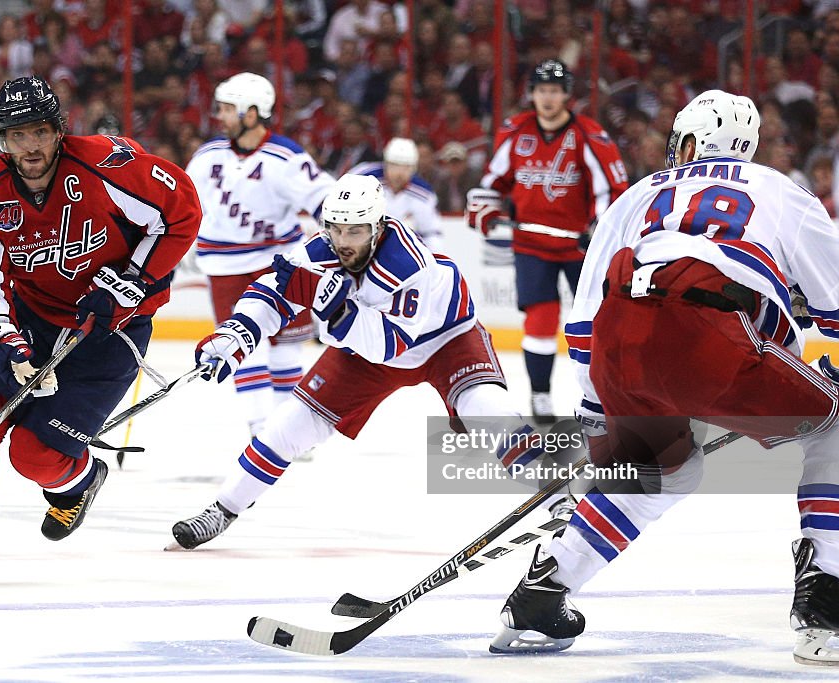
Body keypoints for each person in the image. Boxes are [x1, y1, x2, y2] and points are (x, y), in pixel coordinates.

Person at [490, 90, 839, 665]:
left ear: (694, 142)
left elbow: (585, 314)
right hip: (715, 344)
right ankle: (824, 605)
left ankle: (541, 596)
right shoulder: (779, 189)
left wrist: (597, 411)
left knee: (662, 472)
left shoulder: (637, 193)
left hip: (619, 345)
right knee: (831, 428)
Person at [0, 76, 201, 585]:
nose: (30, 145)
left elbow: (180, 213)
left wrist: (129, 283)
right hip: (31, 318)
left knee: (35, 456)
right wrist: (5, 340)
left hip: (110, 330)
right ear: (2, 139)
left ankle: (77, 482)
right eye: (18, 134)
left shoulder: (107, 166)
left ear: (59, 131)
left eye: (39, 131)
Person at [169, 173, 539, 550]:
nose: (343, 242)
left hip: (446, 339)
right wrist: (237, 334)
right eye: (336, 229)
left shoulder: (410, 264)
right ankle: (223, 508)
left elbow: (389, 345)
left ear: (378, 227)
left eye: (355, 231)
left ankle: (557, 495)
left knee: (488, 409)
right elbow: (272, 293)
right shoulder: (318, 251)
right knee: (289, 425)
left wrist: (340, 312)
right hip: (364, 347)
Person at [467, 59, 628, 423]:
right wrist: (486, 209)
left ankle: (605, 393)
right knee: (540, 319)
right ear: (532, 95)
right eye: (542, 91)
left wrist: (598, 228)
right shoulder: (517, 133)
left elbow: (611, 190)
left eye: (555, 91)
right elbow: (493, 182)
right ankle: (540, 395)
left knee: (597, 320)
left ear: (567, 95)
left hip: (580, 248)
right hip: (532, 245)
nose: (548, 98)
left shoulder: (588, 135)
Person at [185, 72, 335, 436]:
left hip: (279, 262)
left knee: (286, 346)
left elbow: (324, 202)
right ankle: (260, 428)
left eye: (227, 109)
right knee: (237, 344)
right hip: (222, 265)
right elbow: (181, 206)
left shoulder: (286, 157)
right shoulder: (207, 157)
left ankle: (287, 428)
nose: (220, 116)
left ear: (252, 113)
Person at [351, 137, 444, 251]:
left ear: (414, 168)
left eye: (406, 167)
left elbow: (431, 233)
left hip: (399, 253)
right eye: (394, 165)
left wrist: (432, 259)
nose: (399, 172)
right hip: (359, 246)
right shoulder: (363, 177)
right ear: (385, 163)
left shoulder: (423, 194)